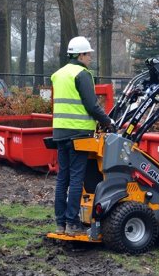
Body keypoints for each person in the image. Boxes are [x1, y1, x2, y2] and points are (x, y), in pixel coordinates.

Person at [51, 36, 113, 236]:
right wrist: (107, 121)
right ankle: (72, 223)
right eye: (88, 55)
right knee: (77, 178)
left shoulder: (58, 75)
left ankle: (60, 223)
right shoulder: (82, 74)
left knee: (63, 178)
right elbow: (91, 105)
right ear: (80, 54)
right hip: (79, 134)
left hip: (60, 132)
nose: (90, 59)